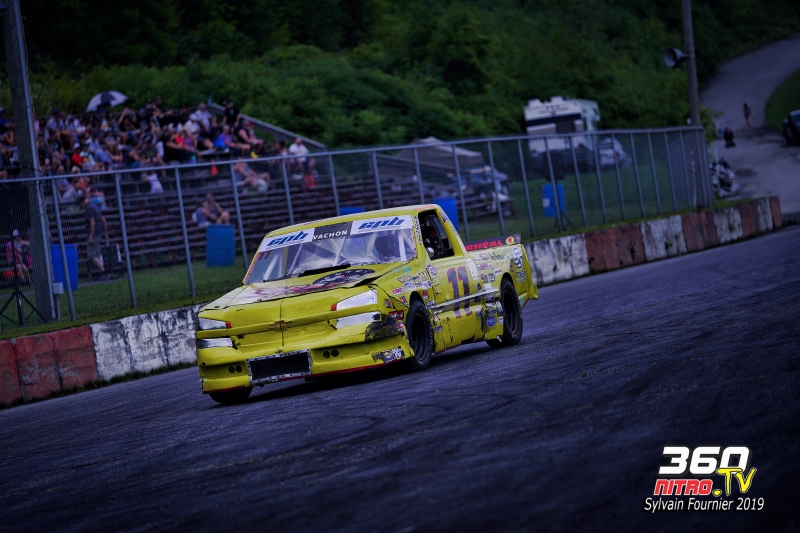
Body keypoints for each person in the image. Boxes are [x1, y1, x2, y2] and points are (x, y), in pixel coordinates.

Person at [84, 197, 108, 278]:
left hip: (94, 234)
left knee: (92, 255)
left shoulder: (88, 209)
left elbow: (92, 223)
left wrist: (91, 236)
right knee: (97, 254)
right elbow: (104, 220)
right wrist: (105, 232)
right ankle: (103, 272)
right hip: (99, 233)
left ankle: (103, 271)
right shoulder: (96, 207)